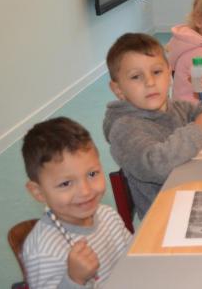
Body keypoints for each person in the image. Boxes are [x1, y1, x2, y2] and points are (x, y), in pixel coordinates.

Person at [103, 33, 202, 219]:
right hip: (165, 219)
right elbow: (155, 165)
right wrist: (199, 130)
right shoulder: (123, 129)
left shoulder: (178, 108)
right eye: (136, 76)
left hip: (197, 197)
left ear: (169, 74)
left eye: (156, 72)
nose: (150, 82)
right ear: (118, 89)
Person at [22, 117, 131, 288]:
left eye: (92, 174)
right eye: (66, 183)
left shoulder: (107, 215)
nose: (85, 191)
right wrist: (74, 280)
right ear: (38, 192)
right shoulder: (44, 251)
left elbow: (133, 257)